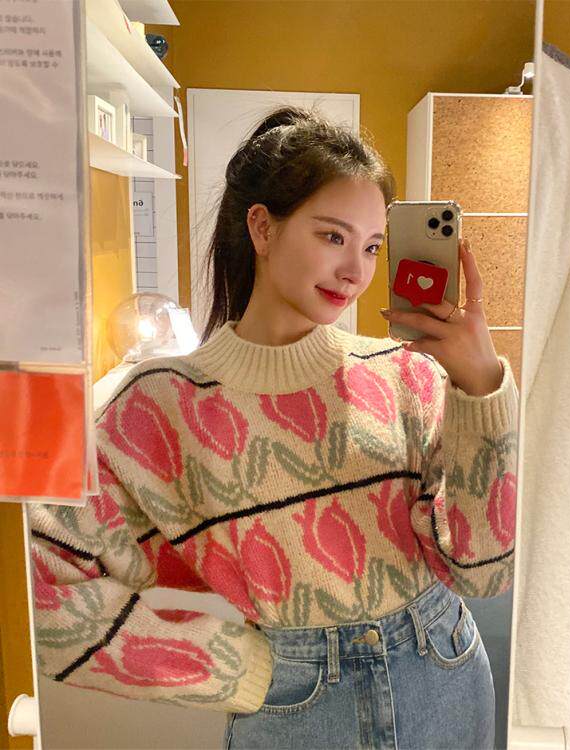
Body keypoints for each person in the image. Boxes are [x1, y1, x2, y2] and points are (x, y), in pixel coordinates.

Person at [29, 105, 519, 749]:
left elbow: (484, 575)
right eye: (334, 237)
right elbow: (42, 589)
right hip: (296, 707)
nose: (356, 271)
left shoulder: (407, 376)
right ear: (262, 227)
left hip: (444, 674)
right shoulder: (160, 407)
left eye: (372, 246)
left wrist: (481, 387)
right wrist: (237, 667)